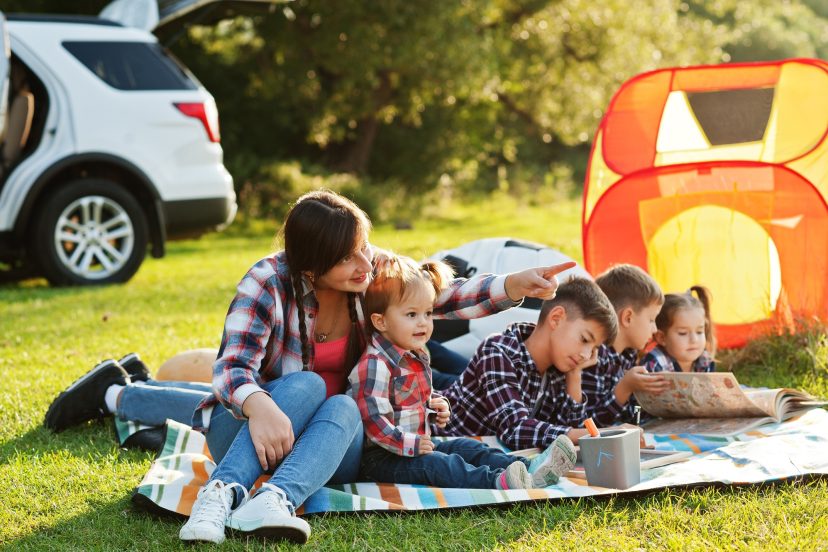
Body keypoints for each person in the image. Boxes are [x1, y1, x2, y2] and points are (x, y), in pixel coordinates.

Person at [43, 189, 578, 544]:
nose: (366, 266)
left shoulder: (365, 273)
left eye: (365, 249)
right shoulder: (266, 283)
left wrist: (511, 286)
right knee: (297, 386)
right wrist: (259, 407)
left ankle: (127, 400)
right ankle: (218, 487)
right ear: (309, 267)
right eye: (350, 258)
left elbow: (431, 294)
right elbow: (230, 372)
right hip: (257, 428)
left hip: (327, 441)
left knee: (339, 401)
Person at [348, 252, 576, 490]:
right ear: (380, 321)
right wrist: (410, 443)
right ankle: (497, 482)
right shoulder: (375, 364)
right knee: (440, 465)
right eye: (411, 315)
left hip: (414, 445)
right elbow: (374, 421)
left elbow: (411, 397)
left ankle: (528, 468)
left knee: (468, 448)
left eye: (427, 313)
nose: (423, 323)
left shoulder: (413, 354)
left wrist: (434, 404)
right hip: (382, 457)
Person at [433, 277, 618, 448]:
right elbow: (514, 429)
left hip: (492, 462)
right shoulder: (499, 351)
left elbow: (571, 437)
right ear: (556, 318)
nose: (587, 355)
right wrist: (594, 434)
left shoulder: (558, 370)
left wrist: (574, 375)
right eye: (585, 339)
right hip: (444, 451)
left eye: (594, 349)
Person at [580, 264, 670, 427]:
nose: (655, 329)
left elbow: (631, 415)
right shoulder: (593, 357)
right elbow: (590, 424)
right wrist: (625, 387)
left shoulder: (628, 355)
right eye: (651, 320)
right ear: (628, 317)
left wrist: (647, 400)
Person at [642, 286, 716, 373]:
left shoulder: (705, 361)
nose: (694, 340)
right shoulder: (654, 363)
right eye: (683, 333)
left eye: (699, 332)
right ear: (661, 337)